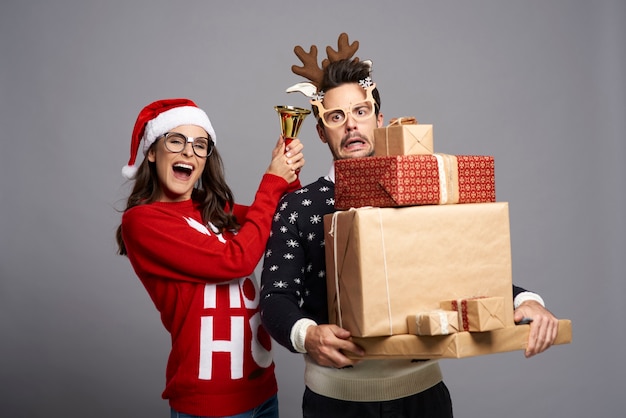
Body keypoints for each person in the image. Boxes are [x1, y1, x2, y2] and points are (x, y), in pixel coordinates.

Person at [260, 36, 559, 418]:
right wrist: (307, 334)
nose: (351, 125)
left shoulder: (420, 191)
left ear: (379, 120)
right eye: (336, 117)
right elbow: (275, 298)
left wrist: (525, 301)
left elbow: (466, 270)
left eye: (361, 111)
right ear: (321, 131)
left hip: (423, 398)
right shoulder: (299, 206)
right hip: (336, 403)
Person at [115, 98, 304, 418]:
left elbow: (280, 219)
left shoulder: (213, 209)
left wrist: (287, 171)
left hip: (263, 392)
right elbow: (237, 260)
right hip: (211, 405)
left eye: (200, 145)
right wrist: (272, 180)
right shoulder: (143, 222)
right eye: (176, 140)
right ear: (151, 151)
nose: (189, 151)